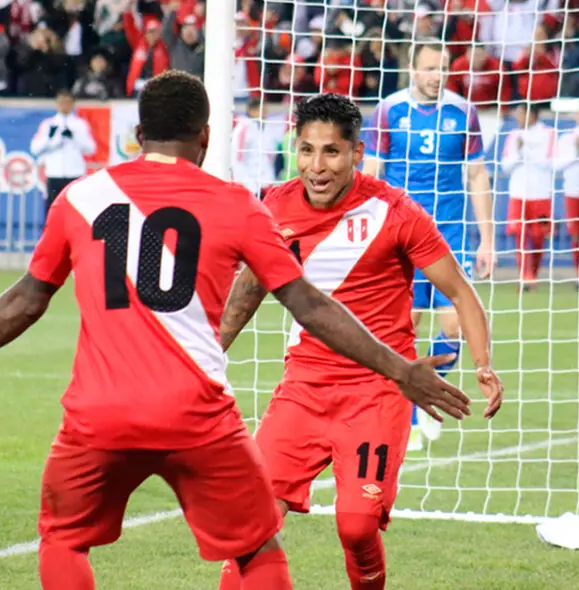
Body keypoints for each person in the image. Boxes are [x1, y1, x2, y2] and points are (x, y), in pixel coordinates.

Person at [0, 71, 473, 590]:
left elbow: (28, 297)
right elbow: (306, 303)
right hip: (196, 415)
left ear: (136, 134)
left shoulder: (80, 197)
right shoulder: (240, 207)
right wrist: (402, 369)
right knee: (256, 549)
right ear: (205, 137)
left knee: (64, 540)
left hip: (98, 413)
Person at [217, 93, 503, 590]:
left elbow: (459, 289)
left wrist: (482, 362)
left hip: (377, 392)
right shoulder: (274, 206)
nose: (316, 166)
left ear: (356, 153)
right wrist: (202, 357)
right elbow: (244, 295)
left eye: (331, 152)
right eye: (306, 151)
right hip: (302, 388)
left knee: (356, 526)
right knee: (248, 521)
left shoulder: (396, 212)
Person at [362, 39, 495, 448]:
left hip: (449, 234)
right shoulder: (388, 111)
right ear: (413, 70)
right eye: (430, 69)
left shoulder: (463, 112)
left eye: (443, 69)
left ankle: (426, 398)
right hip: (399, 234)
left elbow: (476, 176)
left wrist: (487, 238)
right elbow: (372, 173)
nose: (437, 77)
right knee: (407, 326)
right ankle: (404, 412)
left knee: (454, 323)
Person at [500, 101, 556, 290]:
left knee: (539, 237)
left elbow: (549, 163)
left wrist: (526, 150)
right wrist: (518, 152)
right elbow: (505, 166)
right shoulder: (514, 135)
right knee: (520, 235)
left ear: (532, 115)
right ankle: (526, 276)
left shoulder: (548, 134)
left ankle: (533, 272)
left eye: (521, 114)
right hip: (518, 193)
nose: (518, 118)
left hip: (541, 193)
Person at [30, 89, 96, 223]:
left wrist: (75, 138)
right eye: (61, 102)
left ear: (73, 104)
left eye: (67, 102)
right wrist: (50, 140)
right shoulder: (48, 124)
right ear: (56, 104)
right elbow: (35, 149)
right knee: (52, 213)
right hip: (54, 174)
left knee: (75, 212)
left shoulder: (80, 125)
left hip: (75, 175)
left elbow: (91, 149)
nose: (64, 105)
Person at [553, 100, 579, 278]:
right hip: (573, 191)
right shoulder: (567, 138)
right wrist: (576, 152)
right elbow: (557, 165)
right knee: (576, 234)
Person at [231, 97, 276, 196]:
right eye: (262, 110)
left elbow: (271, 157)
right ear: (251, 111)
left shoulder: (268, 129)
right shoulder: (243, 129)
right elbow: (237, 159)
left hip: (266, 184)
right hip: (249, 186)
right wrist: (249, 185)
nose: (265, 113)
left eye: (266, 110)